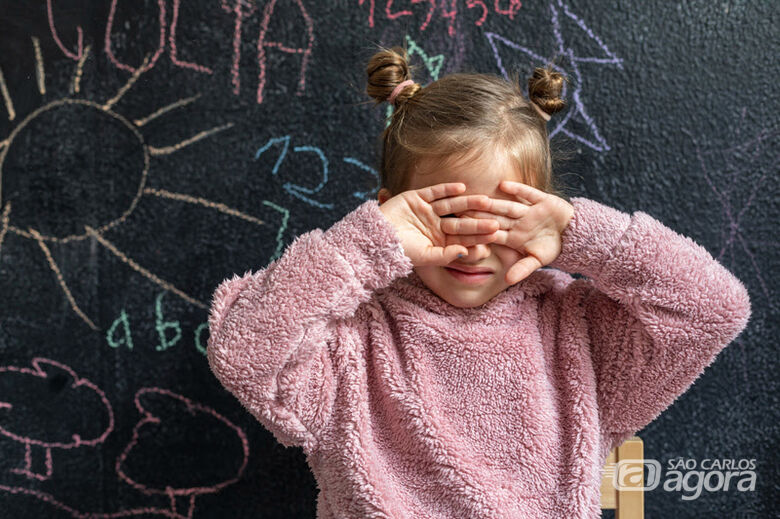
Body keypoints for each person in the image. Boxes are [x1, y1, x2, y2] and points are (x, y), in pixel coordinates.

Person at [206, 45, 752, 518]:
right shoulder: (349, 335)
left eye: (501, 223)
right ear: (389, 215)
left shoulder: (579, 330)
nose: (473, 247)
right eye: (449, 218)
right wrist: (364, 246)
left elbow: (713, 309)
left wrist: (584, 236)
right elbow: (245, 353)